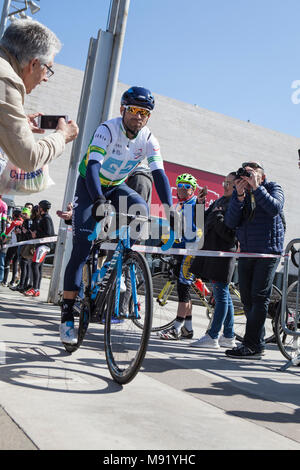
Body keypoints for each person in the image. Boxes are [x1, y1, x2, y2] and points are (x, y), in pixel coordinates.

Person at [59, 86, 173, 344]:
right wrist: (98, 199)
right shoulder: (107, 129)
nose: (138, 116)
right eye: (133, 110)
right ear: (123, 109)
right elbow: (94, 166)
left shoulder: (148, 139)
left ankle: (124, 257)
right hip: (91, 183)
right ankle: (67, 312)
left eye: (144, 112)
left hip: (116, 185)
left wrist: (169, 209)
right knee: (82, 246)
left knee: (141, 210)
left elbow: (159, 175)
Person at [0, 19, 79, 172]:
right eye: (48, 69)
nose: (46, 78)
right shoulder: (7, 81)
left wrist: (12, 121)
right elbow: (29, 158)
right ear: (34, 64)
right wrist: (62, 136)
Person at [224, 161, 284, 359]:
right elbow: (231, 221)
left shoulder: (272, 187)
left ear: (262, 176)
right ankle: (257, 343)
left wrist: (257, 188)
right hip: (247, 252)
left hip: (267, 252)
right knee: (247, 298)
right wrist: (239, 195)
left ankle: (251, 345)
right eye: (245, 174)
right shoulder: (240, 194)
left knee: (259, 297)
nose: (247, 178)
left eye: (252, 174)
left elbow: (274, 208)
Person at [189, 172, 237, 348]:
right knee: (223, 294)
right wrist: (200, 203)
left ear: (238, 186)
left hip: (223, 254)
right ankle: (229, 336)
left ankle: (213, 335)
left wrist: (217, 216)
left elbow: (230, 234)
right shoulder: (219, 202)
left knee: (221, 295)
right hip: (213, 252)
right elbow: (200, 220)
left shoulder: (236, 204)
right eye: (224, 182)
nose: (224, 186)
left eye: (229, 183)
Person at [158, 173, 206, 340]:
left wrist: (174, 245)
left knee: (183, 288)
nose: (183, 189)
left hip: (191, 251)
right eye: (180, 186)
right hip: (184, 250)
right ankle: (188, 328)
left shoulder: (193, 204)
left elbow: (193, 231)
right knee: (184, 290)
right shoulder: (180, 205)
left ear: (193, 190)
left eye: (188, 187)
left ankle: (176, 328)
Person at [25, 200, 55, 297]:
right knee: (38, 266)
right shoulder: (42, 218)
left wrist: (36, 234)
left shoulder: (46, 218)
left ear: (41, 208)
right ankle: (35, 289)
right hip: (40, 245)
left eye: (39, 207)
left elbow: (49, 233)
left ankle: (35, 289)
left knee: (34, 265)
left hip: (44, 246)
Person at [1, 207, 23, 287]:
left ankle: (5, 280)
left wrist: (8, 224)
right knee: (15, 262)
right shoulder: (22, 221)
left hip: (14, 245)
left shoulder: (15, 222)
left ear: (14, 214)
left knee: (7, 261)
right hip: (20, 245)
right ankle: (13, 281)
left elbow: (7, 232)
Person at [0, 194, 7, 282]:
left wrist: (3, 234)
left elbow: (4, 220)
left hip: (1, 232)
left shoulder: (3, 204)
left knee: (1, 258)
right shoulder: (4, 204)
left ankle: (1, 279)